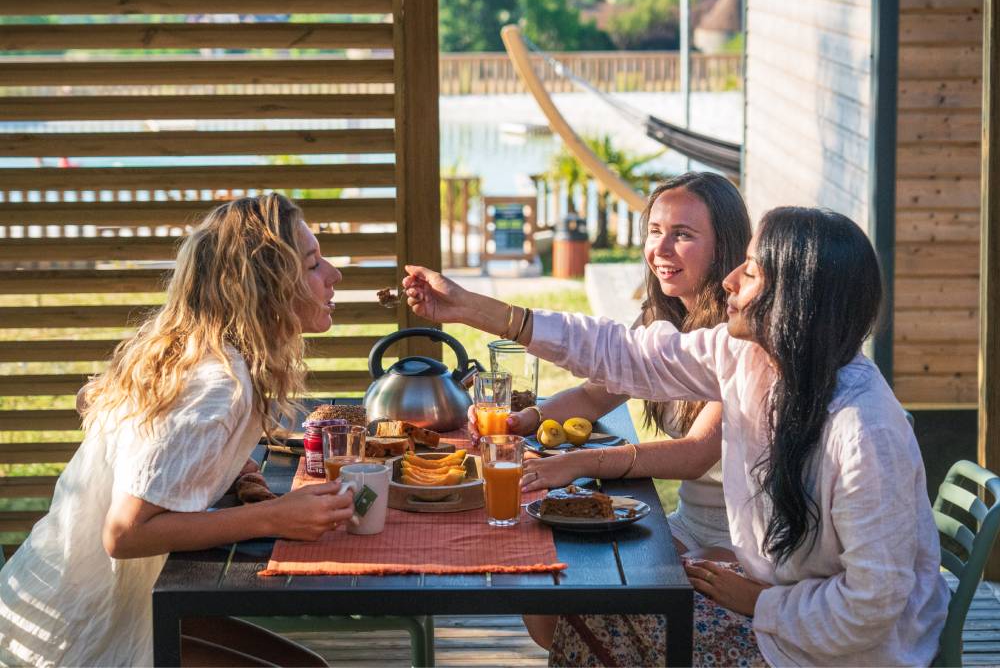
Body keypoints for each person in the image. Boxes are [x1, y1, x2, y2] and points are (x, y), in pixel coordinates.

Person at [403, 206, 949, 667]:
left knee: (598, 615)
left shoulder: (864, 430)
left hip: (835, 652)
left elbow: (873, 606)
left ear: (797, 298)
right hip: (780, 607)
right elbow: (624, 353)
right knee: (591, 604)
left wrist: (760, 603)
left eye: (751, 272)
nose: (730, 280)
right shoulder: (752, 358)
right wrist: (472, 308)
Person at [0, 193, 356, 668]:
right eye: (312, 264)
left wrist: (220, 465)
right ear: (265, 286)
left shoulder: (207, 355)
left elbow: (108, 413)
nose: (334, 275)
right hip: (76, 634)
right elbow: (123, 534)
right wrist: (273, 517)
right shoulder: (216, 382)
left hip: (122, 604)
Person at [474, 173, 751, 655]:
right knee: (547, 597)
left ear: (723, 247)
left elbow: (695, 454)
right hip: (686, 523)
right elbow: (594, 395)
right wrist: (526, 420)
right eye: (655, 231)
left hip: (743, 543)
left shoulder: (739, 334)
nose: (660, 249)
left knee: (608, 609)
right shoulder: (662, 317)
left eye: (683, 234)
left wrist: (581, 462)